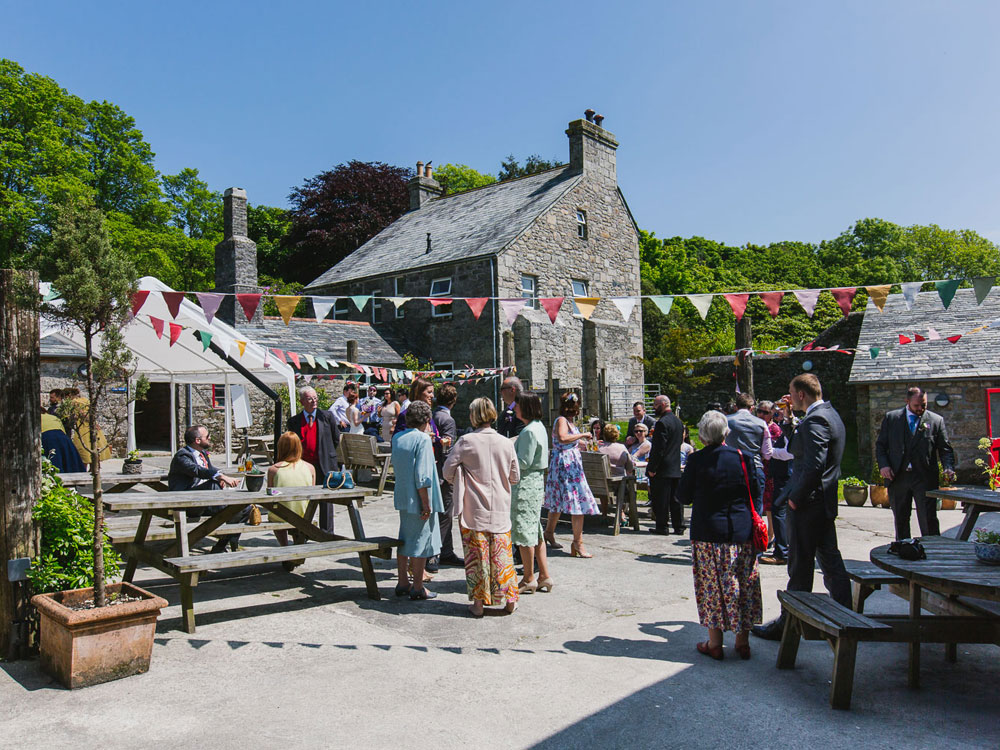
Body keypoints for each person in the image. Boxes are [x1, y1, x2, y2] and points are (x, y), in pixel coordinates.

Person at [752, 374, 852, 641]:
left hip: (809, 504)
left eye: (790, 392)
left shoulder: (816, 420)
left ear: (800, 394)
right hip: (823, 501)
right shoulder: (829, 414)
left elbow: (814, 464)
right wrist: (788, 420)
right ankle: (846, 616)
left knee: (800, 566)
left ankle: (788, 627)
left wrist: (795, 497)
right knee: (830, 560)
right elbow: (802, 447)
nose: (788, 397)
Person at [678, 410, 763, 660]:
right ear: (726, 432)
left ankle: (715, 643)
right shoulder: (744, 457)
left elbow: (683, 496)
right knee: (744, 583)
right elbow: (755, 491)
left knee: (711, 586)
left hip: (708, 532)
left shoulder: (697, 460)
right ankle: (742, 641)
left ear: (703, 436)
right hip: (741, 531)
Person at [443, 397, 521, 617]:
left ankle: (478, 604)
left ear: (473, 416)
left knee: (477, 557)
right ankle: (510, 600)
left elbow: (447, 471)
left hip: (473, 506)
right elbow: (515, 477)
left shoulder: (466, 441)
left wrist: (461, 477)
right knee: (502, 556)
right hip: (500, 506)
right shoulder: (506, 443)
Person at [875, 386, 956, 540]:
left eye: (923, 405)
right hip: (898, 477)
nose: (920, 409)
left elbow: (945, 449)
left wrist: (948, 467)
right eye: (916, 405)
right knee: (901, 519)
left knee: (928, 520)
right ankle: (903, 549)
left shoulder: (936, 420)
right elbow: (881, 446)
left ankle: (932, 549)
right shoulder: (892, 419)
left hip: (924, 478)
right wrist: (884, 466)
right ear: (907, 401)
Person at [392, 400, 444, 600]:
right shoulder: (422, 439)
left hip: (403, 495)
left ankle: (402, 581)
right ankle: (418, 586)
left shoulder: (398, 437)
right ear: (427, 420)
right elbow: (422, 475)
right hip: (417, 496)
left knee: (405, 538)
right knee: (421, 541)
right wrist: (426, 503)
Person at [167, 424, 244, 553]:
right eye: (207, 436)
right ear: (198, 440)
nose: (210, 438)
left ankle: (221, 545)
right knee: (212, 485)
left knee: (244, 508)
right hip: (187, 503)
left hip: (206, 501)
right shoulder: (182, 456)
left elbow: (210, 469)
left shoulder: (202, 453)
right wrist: (220, 477)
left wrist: (220, 475)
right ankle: (228, 507)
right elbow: (197, 470)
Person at [543, 392, 600, 557]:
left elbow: (570, 440)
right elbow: (562, 438)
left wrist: (585, 443)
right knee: (578, 502)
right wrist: (583, 435)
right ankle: (577, 543)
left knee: (559, 502)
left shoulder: (568, 422)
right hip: (566, 467)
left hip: (568, 465)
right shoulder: (561, 420)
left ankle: (548, 533)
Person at [510, 392, 553, 594]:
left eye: (517, 405)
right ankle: (544, 575)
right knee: (535, 530)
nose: (515, 409)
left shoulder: (528, 431)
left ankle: (528, 578)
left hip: (526, 484)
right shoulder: (539, 426)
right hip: (536, 482)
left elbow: (523, 462)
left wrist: (507, 459)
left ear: (525, 407)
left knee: (524, 532)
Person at [287, 386, 341, 533]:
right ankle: (302, 531)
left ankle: (326, 533)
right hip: (303, 466)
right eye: (310, 399)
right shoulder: (294, 421)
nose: (314, 401)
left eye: (315, 398)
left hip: (324, 464)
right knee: (302, 499)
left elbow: (336, 439)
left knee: (326, 500)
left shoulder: (327, 417)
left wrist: (327, 454)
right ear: (302, 401)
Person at [431, 382, 464, 569]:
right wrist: (449, 474)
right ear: (454, 400)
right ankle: (436, 554)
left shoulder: (433, 415)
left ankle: (447, 551)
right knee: (445, 514)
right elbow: (448, 450)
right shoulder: (448, 420)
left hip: (433, 469)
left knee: (441, 513)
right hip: (443, 472)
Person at [758, 400, 793, 565]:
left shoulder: (777, 430)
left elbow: (789, 452)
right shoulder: (763, 426)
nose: (761, 415)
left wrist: (770, 452)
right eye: (759, 411)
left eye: (765, 412)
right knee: (773, 508)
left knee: (777, 510)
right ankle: (779, 546)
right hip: (772, 471)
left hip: (780, 473)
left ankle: (781, 550)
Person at [266, 431, 316, 547]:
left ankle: (284, 545)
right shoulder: (310, 468)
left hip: (281, 514)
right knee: (299, 509)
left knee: (276, 512)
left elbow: (271, 493)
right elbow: (312, 493)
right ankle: (298, 541)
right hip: (303, 514)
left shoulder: (273, 470)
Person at [724, 393, 772, 513]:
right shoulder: (761, 424)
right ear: (752, 408)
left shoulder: (726, 421)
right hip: (755, 468)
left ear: (736, 406)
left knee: (733, 509)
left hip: (732, 468)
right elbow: (767, 453)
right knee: (755, 510)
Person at [646, 394, 684, 535]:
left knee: (660, 499)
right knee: (675, 499)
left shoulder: (662, 423)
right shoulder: (678, 422)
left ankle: (662, 526)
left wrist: (652, 467)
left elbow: (658, 448)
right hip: (675, 464)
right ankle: (679, 526)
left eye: (655, 405)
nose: (653, 408)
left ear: (662, 404)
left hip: (663, 467)